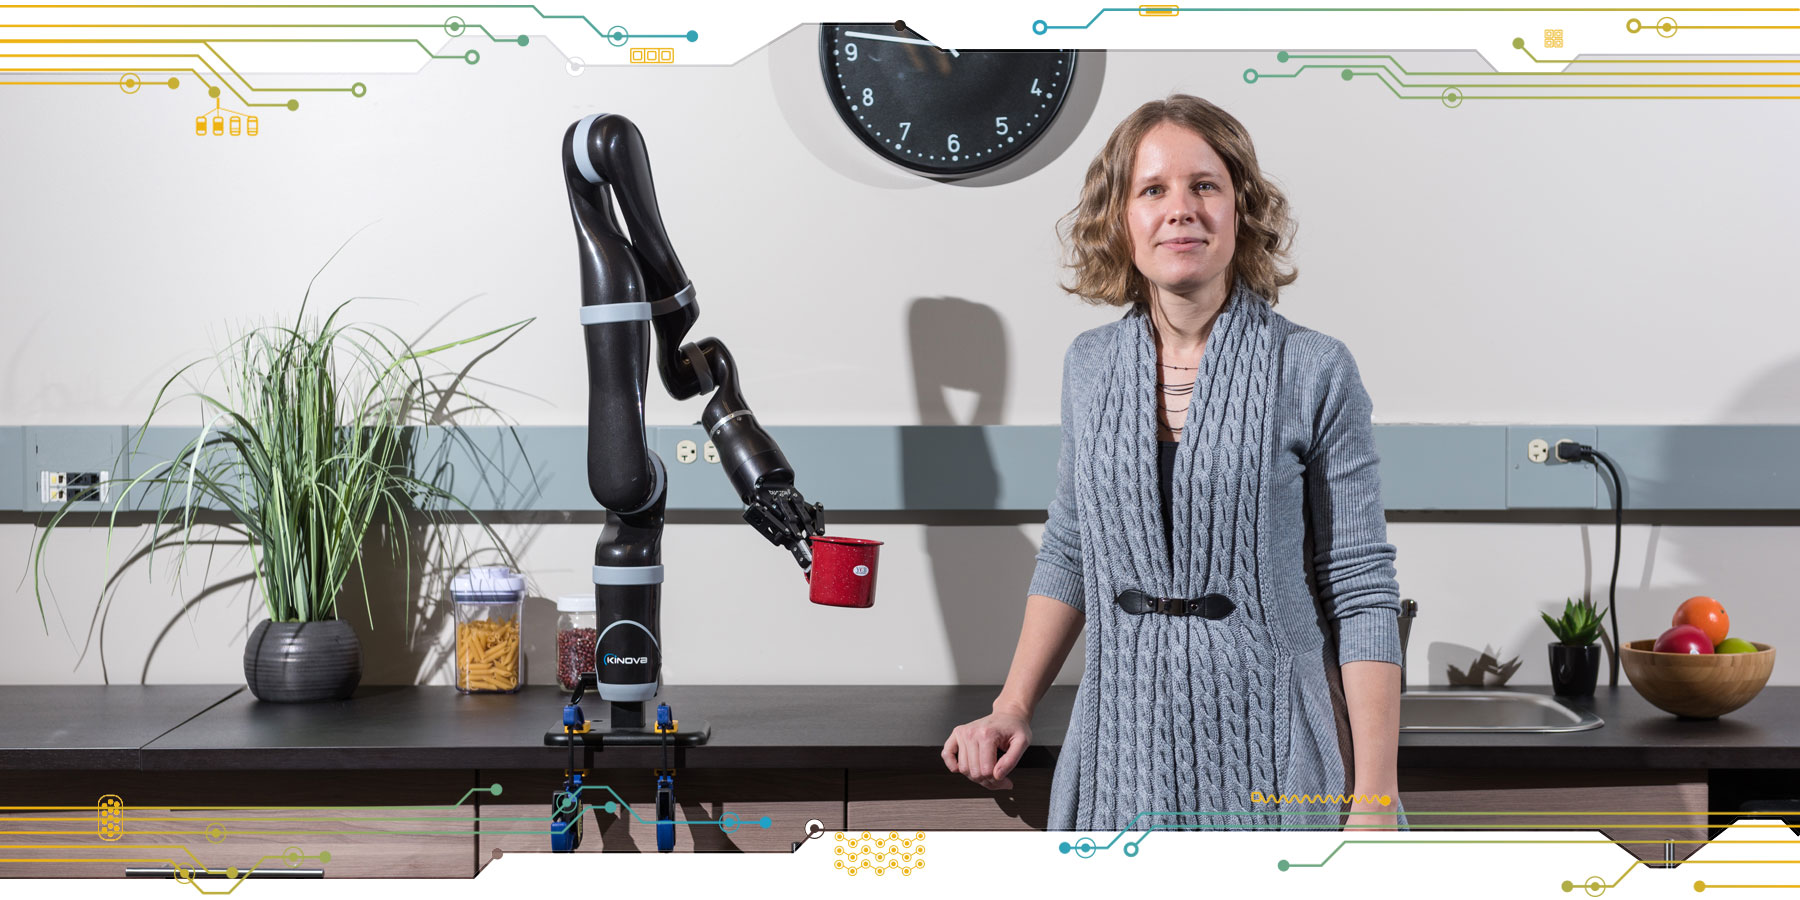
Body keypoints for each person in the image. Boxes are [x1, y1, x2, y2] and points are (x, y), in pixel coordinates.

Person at [941, 94, 1405, 832]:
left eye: (1205, 186)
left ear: (1241, 208)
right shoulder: (1089, 367)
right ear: (1121, 220)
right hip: (1122, 751)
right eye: (1152, 190)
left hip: (1274, 759)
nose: (1180, 209)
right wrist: (1012, 706)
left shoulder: (1315, 368)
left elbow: (1361, 588)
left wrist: (1375, 798)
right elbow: (1072, 547)